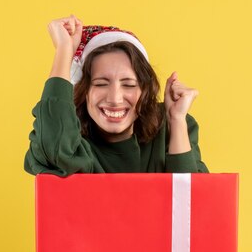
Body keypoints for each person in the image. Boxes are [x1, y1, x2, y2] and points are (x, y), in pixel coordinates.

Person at [24, 15, 208, 176]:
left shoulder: (171, 125)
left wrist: (176, 120)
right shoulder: (70, 136)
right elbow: (53, 149)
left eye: (128, 84)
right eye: (101, 84)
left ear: (145, 90)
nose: (115, 99)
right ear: (84, 90)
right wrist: (64, 51)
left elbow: (193, 205)